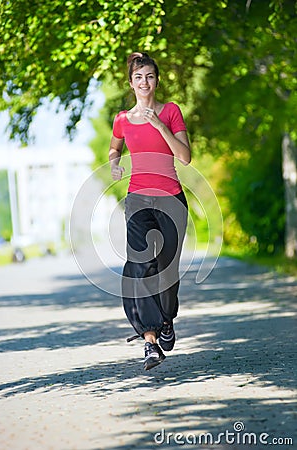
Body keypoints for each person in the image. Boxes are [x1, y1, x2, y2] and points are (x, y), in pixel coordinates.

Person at [109, 52, 191, 370]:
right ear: (131, 83)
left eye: (150, 77)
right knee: (139, 267)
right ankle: (150, 341)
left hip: (171, 198)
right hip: (138, 200)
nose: (145, 83)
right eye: (139, 78)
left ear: (157, 81)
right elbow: (115, 146)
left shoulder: (170, 112)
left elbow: (185, 157)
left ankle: (167, 320)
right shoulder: (122, 119)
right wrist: (115, 163)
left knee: (166, 270)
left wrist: (160, 127)